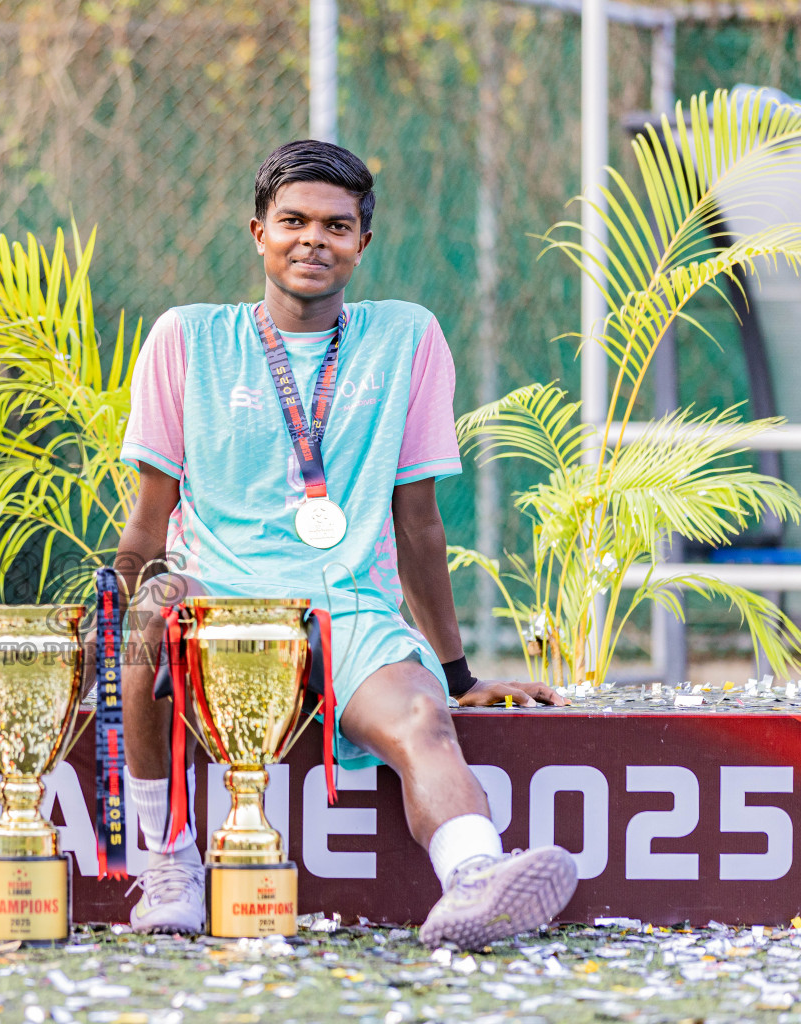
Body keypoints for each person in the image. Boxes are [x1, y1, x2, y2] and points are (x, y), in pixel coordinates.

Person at [114, 141, 577, 948]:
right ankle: (168, 862)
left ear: (363, 242)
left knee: (426, 718)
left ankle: (474, 883)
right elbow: (148, 526)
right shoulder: (187, 339)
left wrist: (459, 672)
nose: (312, 240)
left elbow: (420, 524)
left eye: (336, 225)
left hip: (348, 608)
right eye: (292, 221)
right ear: (257, 231)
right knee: (151, 605)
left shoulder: (408, 338)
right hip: (218, 606)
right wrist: (128, 626)